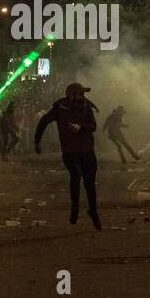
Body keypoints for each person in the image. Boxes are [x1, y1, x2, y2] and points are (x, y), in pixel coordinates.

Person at [35, 81, 103, 229]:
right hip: (70, 151)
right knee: (76, 176)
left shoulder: (87, 107)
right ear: (71, 95)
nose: (83, 96)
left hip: (87, 150)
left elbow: (93, 126)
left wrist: (80, 127)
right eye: (80, 94)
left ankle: (93, 212)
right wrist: (37, 142)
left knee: (90, 183)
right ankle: (75, 209)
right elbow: (44, 121)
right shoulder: (60, 108)